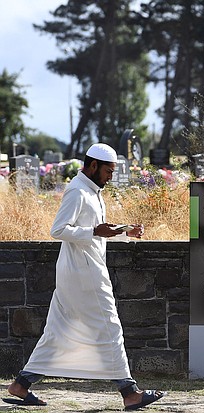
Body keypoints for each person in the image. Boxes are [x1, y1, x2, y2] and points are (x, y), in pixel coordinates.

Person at [2, 143, 166, 410]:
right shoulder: (78, 191)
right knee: (111, 327)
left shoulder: (93, 191)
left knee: (57, 331)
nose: (111, 176)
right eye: (108, 171)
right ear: (93, 166)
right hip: (85, 273)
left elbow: (96, 231)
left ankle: (21, 385)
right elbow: (58, 230)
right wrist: (93, 232)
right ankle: (130, 392)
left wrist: (126, 232)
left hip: (78, 271)